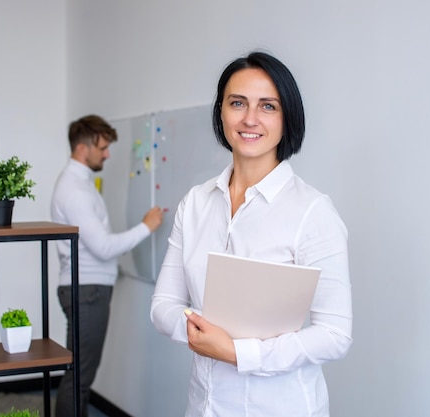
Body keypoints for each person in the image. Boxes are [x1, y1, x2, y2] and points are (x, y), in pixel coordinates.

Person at [150, 51, 352, 417]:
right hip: (204, 404)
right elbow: (163, 306)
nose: (250, 119)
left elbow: (335, 335)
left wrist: (236, 351)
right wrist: (201, 333)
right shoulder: (195, 203)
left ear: (287, 117)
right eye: (237, 103)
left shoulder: (312, 211)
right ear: (221, 112)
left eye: (268, 106)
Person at [51, 114, 163, 417]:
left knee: (80, 375)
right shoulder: (75, 190)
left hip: (88, 290)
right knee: (80, 378)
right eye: (103, 148)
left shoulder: (80, 183)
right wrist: (146, 227)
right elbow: (103, 247)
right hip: (87, 292)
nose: (108, 154)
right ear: (83, 148)